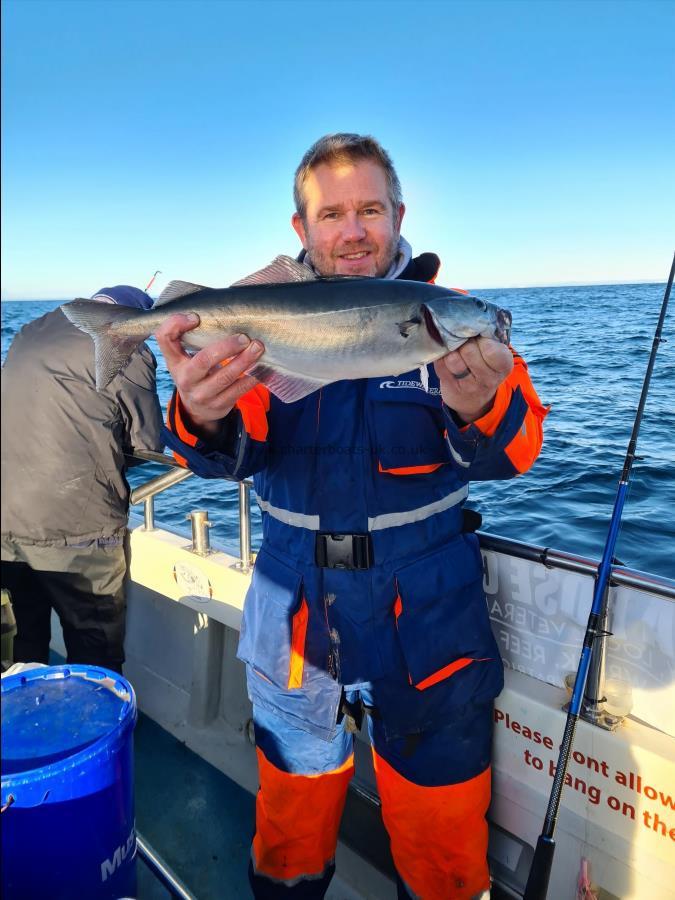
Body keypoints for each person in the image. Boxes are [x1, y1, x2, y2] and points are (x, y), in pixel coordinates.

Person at [157, 134, 549, 900]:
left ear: (398, 215)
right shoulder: (257, 322)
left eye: (369, 208)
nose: (353, 229)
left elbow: (519, 449)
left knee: (443, 853)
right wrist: (199, 418)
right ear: (301, 229)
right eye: (331, 213)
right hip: (295, 606)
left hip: (429, 614)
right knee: (289, 835)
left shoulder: (449, 316)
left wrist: (478, 405)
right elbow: (224, 456)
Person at [1, 285, 164, 674]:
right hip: (80, 530)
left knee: (24, 647)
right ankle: (92, 732)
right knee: (96, 651)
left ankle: (30, 725)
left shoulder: (31, 330)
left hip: (7, 521)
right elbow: (148, 440)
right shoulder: (127, 343)